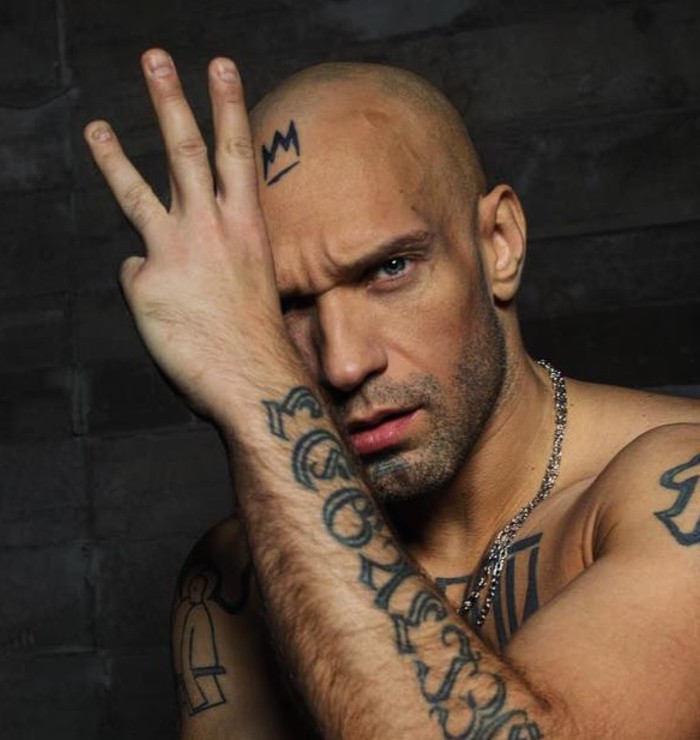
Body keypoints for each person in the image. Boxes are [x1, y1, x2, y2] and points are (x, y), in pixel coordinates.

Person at [85, 48, 700, 739]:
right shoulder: (236, 581)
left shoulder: (678, 491)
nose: (345, 363)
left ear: (498, 244)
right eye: (284, 306)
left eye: (390, 268)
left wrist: (257, 387)